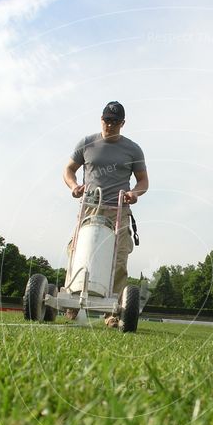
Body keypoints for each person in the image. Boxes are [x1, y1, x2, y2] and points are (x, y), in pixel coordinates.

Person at [63, 101, 149, 298]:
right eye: (107, 120)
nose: (110, 125)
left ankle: (114, 310)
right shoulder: (87, 143)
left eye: (115, 121)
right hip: (90, 206)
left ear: (123, 123)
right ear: (101, 120)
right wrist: (74, 186)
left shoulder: (133, 149)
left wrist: (134, 193)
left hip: (118, 209)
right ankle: (72, 300)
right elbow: (68, 170)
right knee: (77, 252)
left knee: (118, 259)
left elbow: (143, 181)